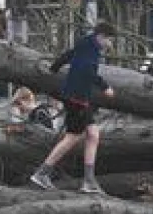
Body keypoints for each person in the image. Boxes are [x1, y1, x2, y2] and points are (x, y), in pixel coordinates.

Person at [29, 22, 116, 194]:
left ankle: (89, 181)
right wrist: (105, 87)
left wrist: (55, 67)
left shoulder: (85, 42)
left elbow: (69, 54)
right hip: (78, 99)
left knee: (93, 134)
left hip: (77, 97)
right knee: (72, 137)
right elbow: (88, 71)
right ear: (102, 37)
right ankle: (42, 173)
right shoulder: (92, 50)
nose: (110, 44)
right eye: (110, 40)